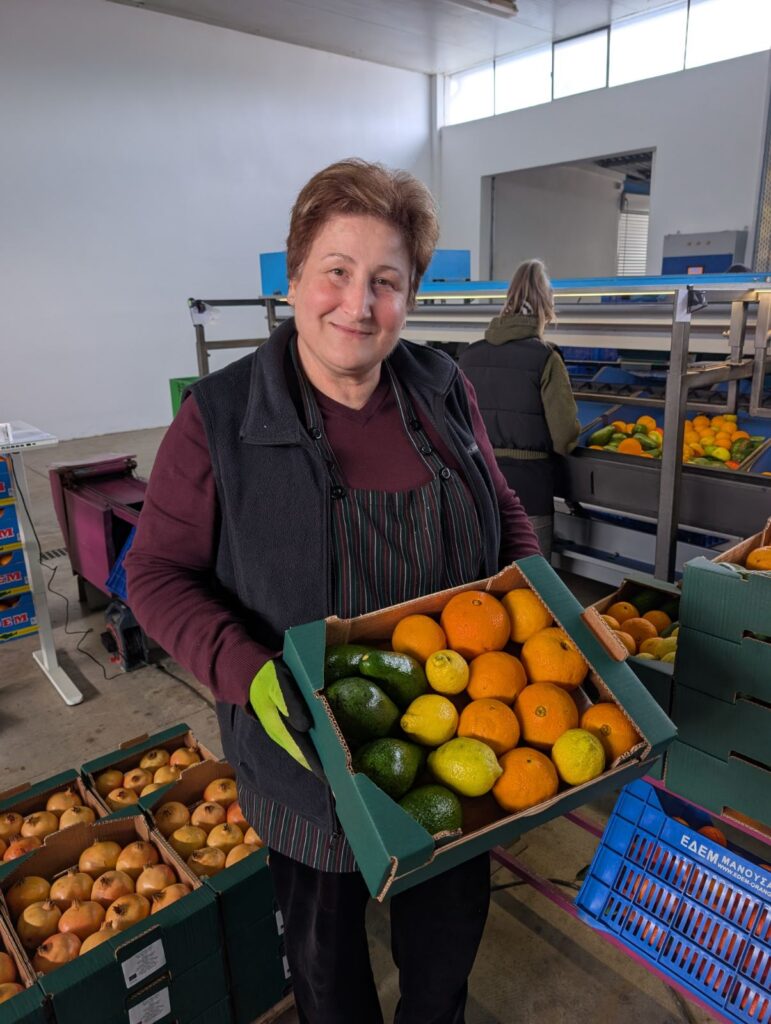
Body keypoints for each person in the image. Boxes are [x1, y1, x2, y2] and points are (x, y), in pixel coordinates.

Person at [125, 158, 540, 1024]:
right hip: (305, 754)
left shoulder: (443, 385)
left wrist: (539, 601)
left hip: (456, 732)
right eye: (336, 274)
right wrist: (244, 670)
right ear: (295, 279)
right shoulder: (220, 417)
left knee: (445, 948)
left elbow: (502, 508)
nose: (357, 305)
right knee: (326, 969)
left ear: (411, 294)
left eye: (385, 281)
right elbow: (155, 574)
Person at [458, 259, 580, 560]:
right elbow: (564, 437)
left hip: (478, 489)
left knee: (482, 584)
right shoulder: (546, 358)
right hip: (530, 491)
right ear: (546, 307)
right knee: (532, 585)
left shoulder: (468, 356)